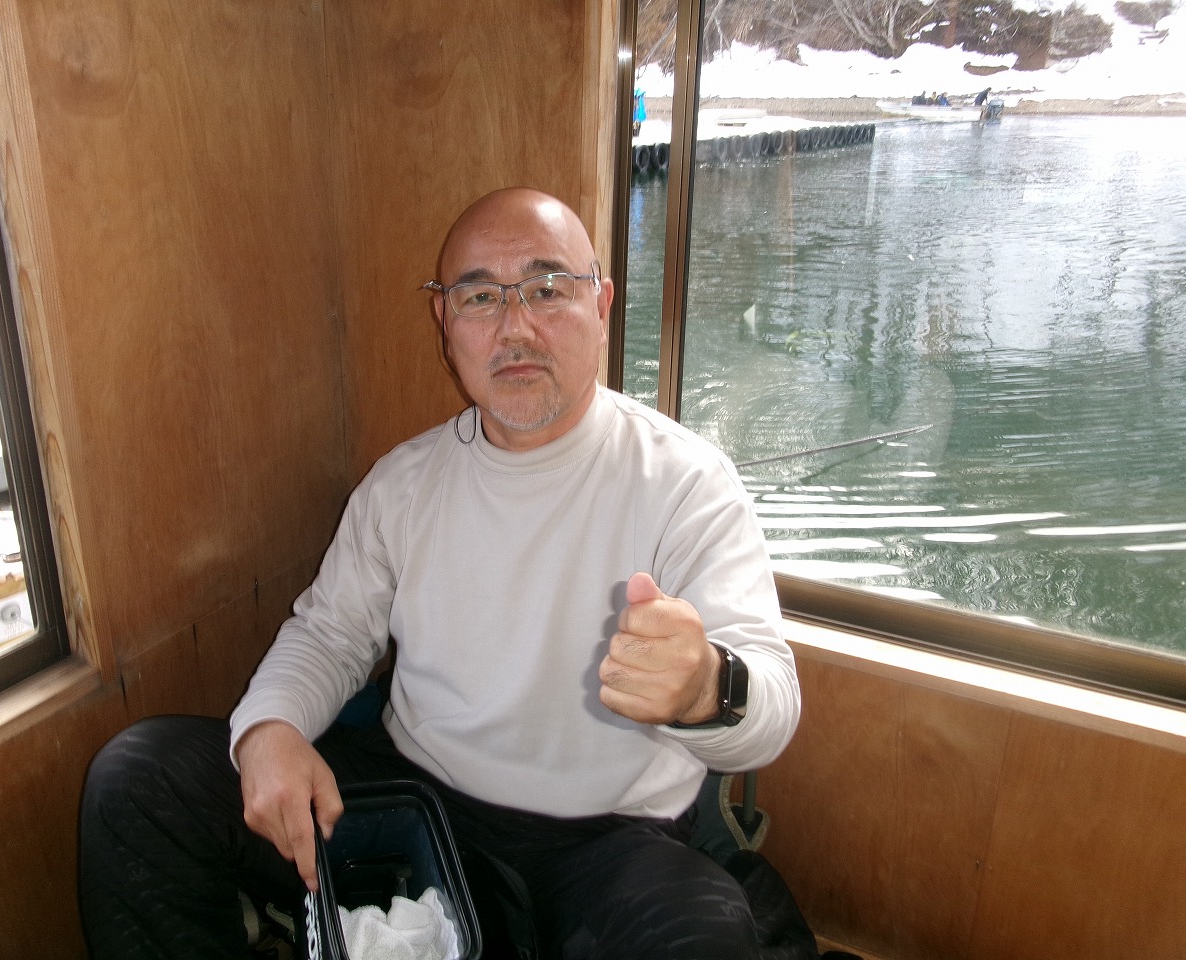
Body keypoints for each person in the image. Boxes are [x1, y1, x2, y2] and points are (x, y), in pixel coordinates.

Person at [78, 187, 801, 960]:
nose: (515, 327)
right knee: (140, 779)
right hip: (411, 800)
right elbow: (329, 633)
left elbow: (772, 707)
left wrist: (706, 688)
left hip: (611, 845)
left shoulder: (686, 483)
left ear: (601, 305)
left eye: (548, 289)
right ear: (444, 323)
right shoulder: (403, 483)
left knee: (705, 940)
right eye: (480, 297)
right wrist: (270, 729)